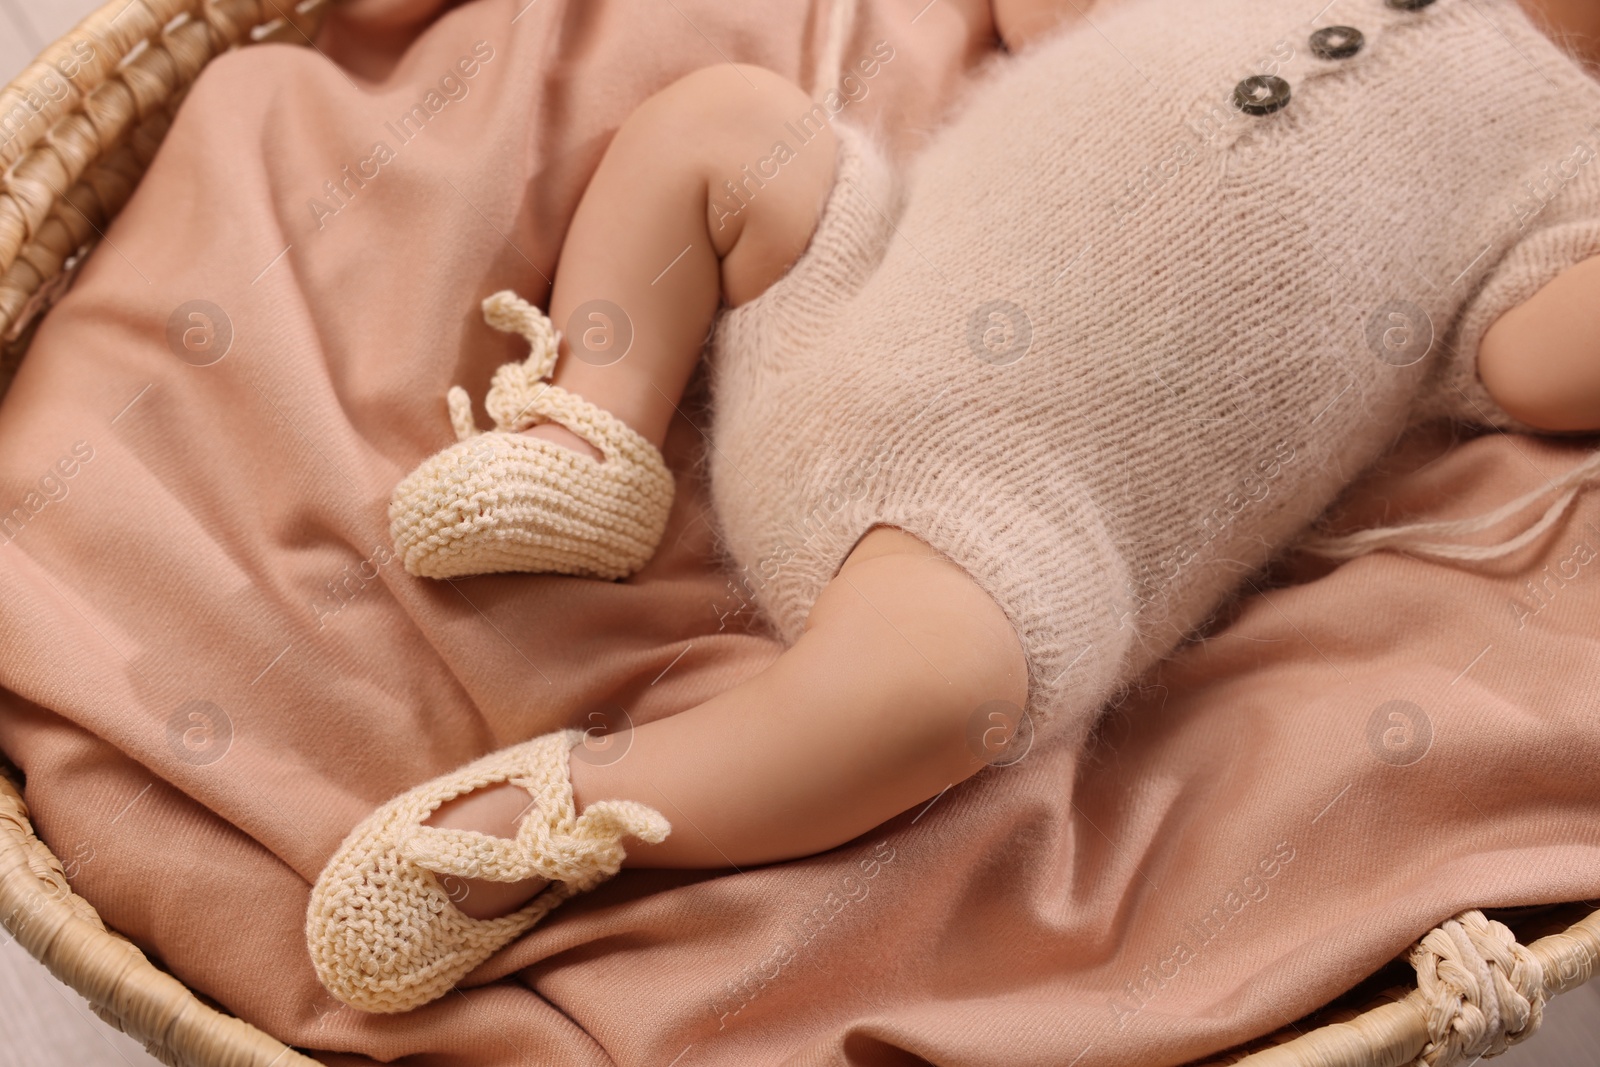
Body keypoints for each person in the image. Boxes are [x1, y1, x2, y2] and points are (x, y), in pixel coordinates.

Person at [309, 0, 1600, 1013]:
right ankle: (592, 427)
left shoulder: (1571, 159)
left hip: (999, 521)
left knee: (947, 693)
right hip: (840, 290)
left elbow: (1537, 362)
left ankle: (576, 810)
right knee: (731, 126)